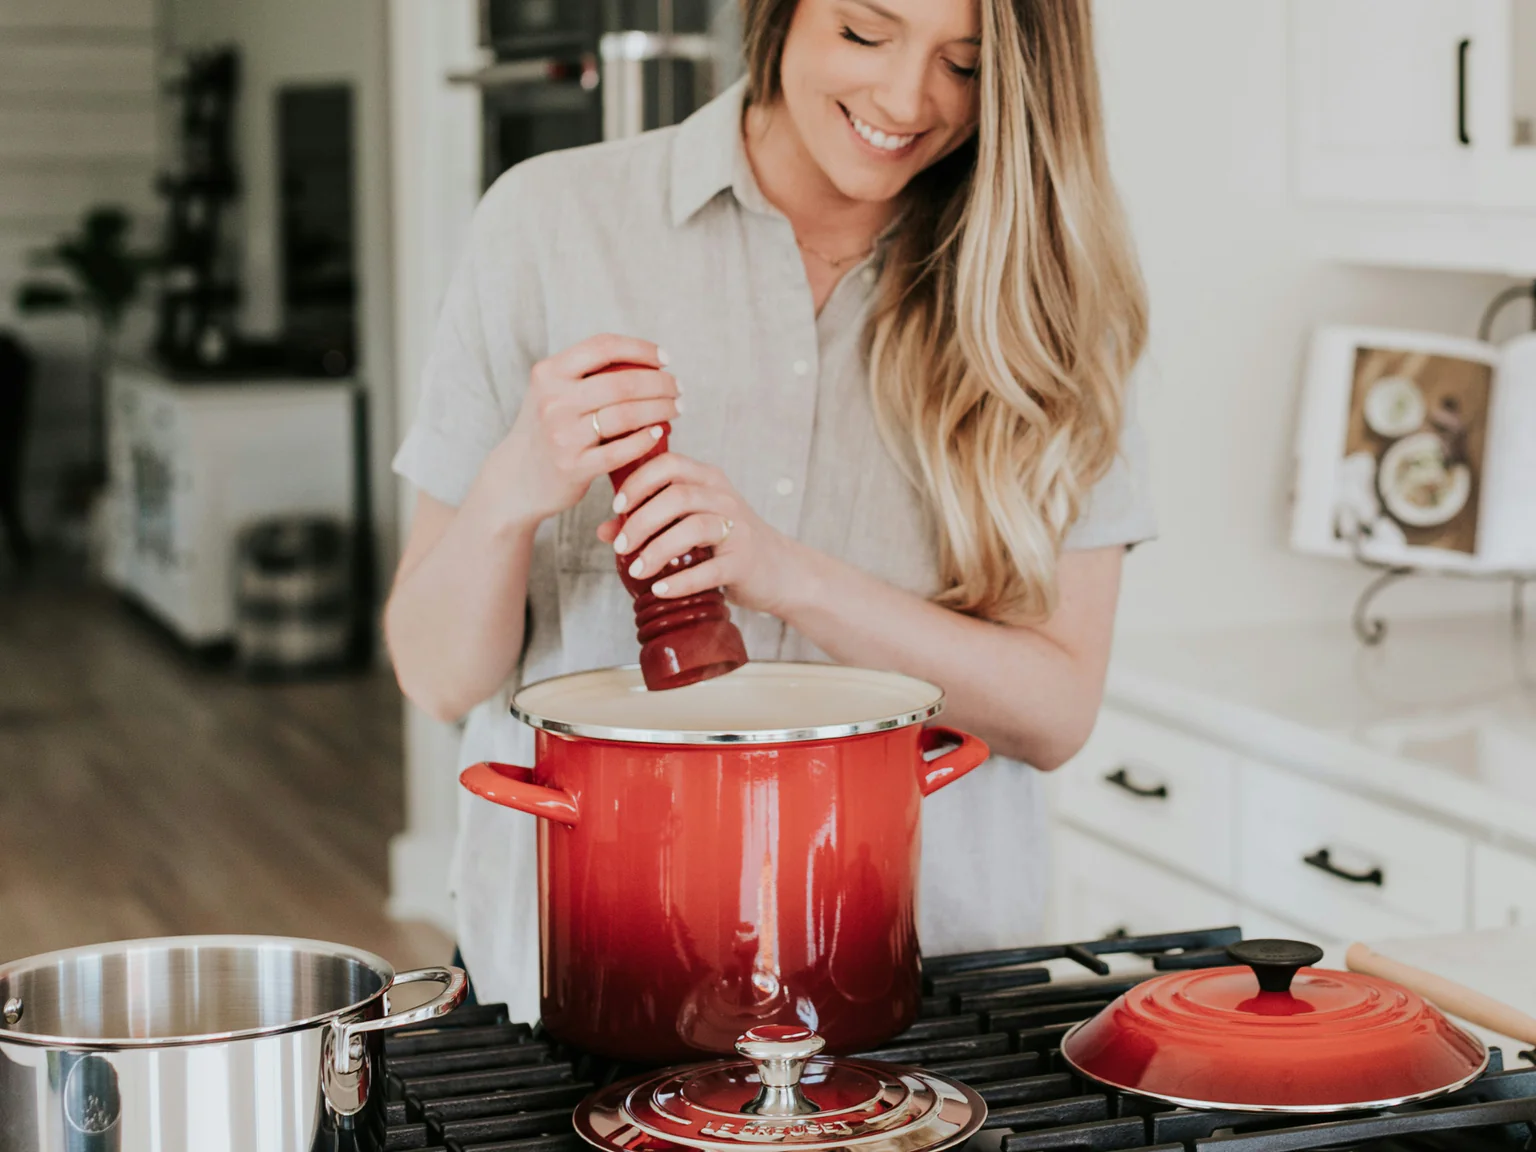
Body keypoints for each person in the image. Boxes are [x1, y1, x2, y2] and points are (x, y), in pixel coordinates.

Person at [387, 0, 1153, 1022]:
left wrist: (787, 575)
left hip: (923, 990)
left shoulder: (1049, 297)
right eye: (864, 34)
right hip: (579, 981)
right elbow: (435, 675)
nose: (905, 99)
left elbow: (1056, 714)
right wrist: (509, 491)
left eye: (965, 66)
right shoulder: (550, 224)